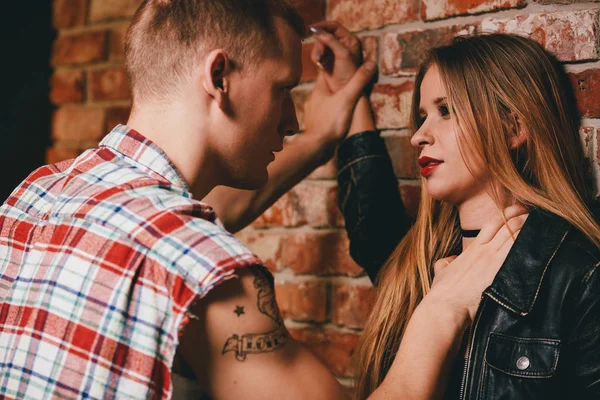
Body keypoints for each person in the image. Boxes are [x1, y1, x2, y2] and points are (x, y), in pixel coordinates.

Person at [0, 2, 526, 400]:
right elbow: (186, 247)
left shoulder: (38, 196)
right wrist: (444, 308)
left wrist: (323, 139)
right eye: (282, 90)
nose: (292, 120)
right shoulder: (205, 267)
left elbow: (184, 226)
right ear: (219, 76)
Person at [332, 33, 600, 399]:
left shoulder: (580, 276)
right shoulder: (415, 263)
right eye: (423, 115)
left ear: (513, 128)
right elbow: (369, 209)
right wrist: (349, 84)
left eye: (446, 110)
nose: (419, 136)